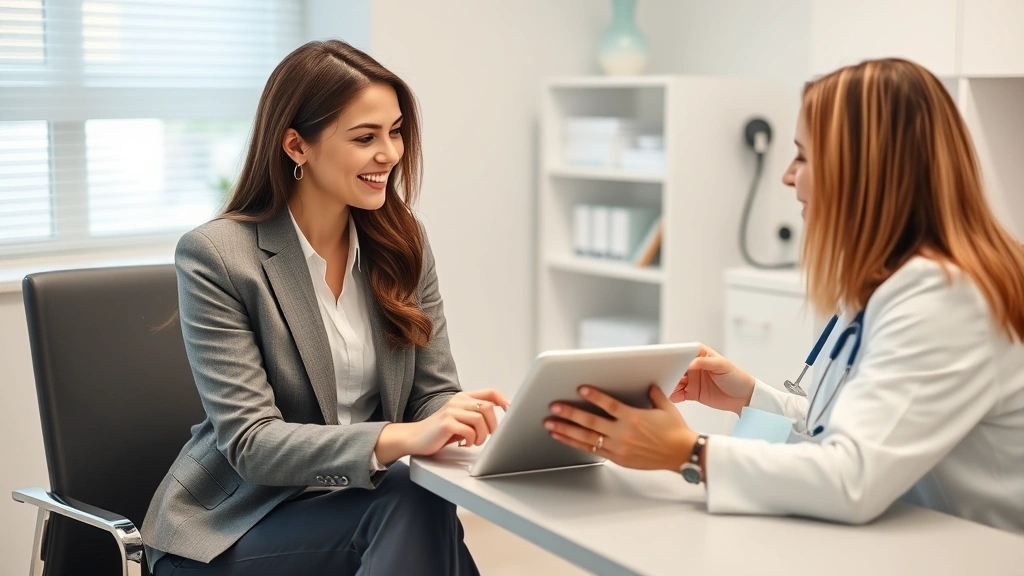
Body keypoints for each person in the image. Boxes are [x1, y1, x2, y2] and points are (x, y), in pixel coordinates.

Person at [545, 58, 1024, 533]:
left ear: (861, 171)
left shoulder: (945, 298)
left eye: (802, 156)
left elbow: (851, 478)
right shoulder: (892, 282)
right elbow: (841, 434)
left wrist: (689, 453)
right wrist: (752, 398)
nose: (788, 176)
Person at [141, 40, 508, 575]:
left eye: (396, 131)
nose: (390, 153)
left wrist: (454, 419)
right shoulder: (218, 256)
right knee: (415, 506)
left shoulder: (403, 243)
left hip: (369, 509)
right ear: (296, 146)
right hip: (236, 526)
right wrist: (398, 438)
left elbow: (430, 392)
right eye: (365, 137)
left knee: (415, 502)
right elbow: (252, 443)